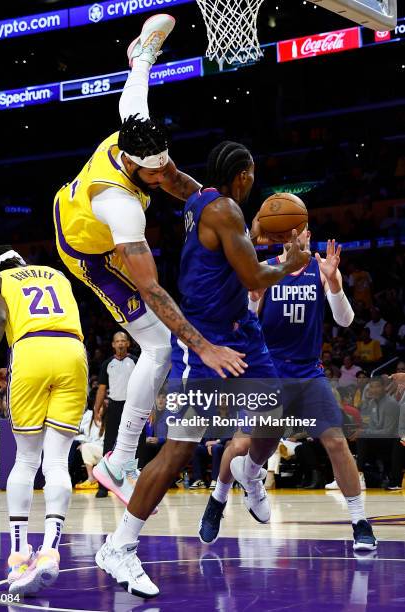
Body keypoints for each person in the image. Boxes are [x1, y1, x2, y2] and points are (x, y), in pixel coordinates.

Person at [96, 145, 310, 597]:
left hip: (241, 330)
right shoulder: (225, 209)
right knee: (177, 452)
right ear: (245, 175)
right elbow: (253, 277)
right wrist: (288, 264)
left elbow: (229, 249)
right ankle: (119, 545)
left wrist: (255, 237)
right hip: (204, 340)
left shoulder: (200, 198)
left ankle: (250, 474)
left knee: (276, 414)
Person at [53, 13, 245, 504]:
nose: (164, 180)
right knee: (161, 346)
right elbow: (152, 290)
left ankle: (120, 458)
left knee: (162, 344)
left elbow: (175, 176)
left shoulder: (135, 123)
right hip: (87, 249)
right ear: (134, 166)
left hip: (81, 210)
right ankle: (119, 460)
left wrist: (145, 51)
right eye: (154, 176)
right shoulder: (120, 208)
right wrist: (202, 347)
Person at [199, 234, 377, 552]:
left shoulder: (320, 269)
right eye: (289, 228)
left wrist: (334, 281)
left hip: (308, 371)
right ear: (281, 235)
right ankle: (218, 499)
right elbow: (242, 324)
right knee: (241, 443)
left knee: (336, 440)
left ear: (308, 233)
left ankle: (360, 522)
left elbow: (345, 320)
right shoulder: (264, 269)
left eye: (302, 227)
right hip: (268, 370)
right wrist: (253, 297)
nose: (296, 234)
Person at [0, 245, 88, 595]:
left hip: (30, 353)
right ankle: (51, 551)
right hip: (73, 354)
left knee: (26, 460)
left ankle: (18, 553)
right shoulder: (56, 275)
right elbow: (52, 329)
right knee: (57, 461)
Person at [93, 331, 143, 498]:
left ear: (128, 343)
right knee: (109, 444)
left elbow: (145, 385)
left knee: (135, 445)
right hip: (114, 407)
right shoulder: (107, 364)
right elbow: (101, 388)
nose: (121, 344)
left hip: (133, 406)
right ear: (113, 345)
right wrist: (96, 409)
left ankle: (132, 483)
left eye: (123, 341)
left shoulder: (136, 361)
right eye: (117, 341)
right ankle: (103, 486)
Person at [356, 378, 401, 490]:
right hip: (379, 439)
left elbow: (388, 432)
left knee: (362, 436)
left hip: (392, 441)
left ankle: (358, 475)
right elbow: (371, 427)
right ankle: (357, 475)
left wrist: (365, 432)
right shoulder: (371, 403)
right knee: (355, 438)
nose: (374, 390)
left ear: (384, 388)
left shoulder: (391, 403)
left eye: (377, 386)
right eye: (371, 387)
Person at [75, 409, 104, 490]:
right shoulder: (91, 420)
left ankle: (92, 478)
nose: (98, 409)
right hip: (96, 451)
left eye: (101, 407)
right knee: (82, 447)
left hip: (107, 453)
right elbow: (87, 437)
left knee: (85, 447)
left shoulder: (108, 421)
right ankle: (89, 478)